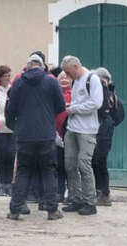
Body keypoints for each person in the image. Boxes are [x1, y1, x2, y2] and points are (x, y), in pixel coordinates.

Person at [5, 53, 66, 220]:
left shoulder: (18, 82)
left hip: (24, 134)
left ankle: (15, 209)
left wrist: (15, 127)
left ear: (28, 65)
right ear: (42, 65)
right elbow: (61, 106)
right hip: (46, 134)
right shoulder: (51, 81)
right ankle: (52, 210)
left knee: (23, 171)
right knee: (48, 171)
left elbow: (11, 109)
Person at [60, 55, 103, 215]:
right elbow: (80, 102)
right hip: (72, 128)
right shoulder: (76, 80)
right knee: (70, 165)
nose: (67, 75)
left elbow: (96, 103)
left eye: (68, 71)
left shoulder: (92, 79)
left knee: (84, 164)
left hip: (87, 130)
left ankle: (90, 201)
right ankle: (76, 198)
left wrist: (73, 109)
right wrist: (71, 106)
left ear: (76, 66)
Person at [91, 67, 125, 207]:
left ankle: (104, 193)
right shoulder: (101, 93)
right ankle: (98, 191)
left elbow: (119, 115)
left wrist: (109, 123)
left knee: (100, 161)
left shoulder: (111, 95)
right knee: (94, 162)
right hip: (97, 131)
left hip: (104, 133)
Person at [0, 65, 16, 197]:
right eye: (5, 76)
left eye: (9, 75)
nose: (8, 78)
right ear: (0, 77)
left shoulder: (12, 90)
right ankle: (1, 183)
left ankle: (9, 183)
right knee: (0, 157)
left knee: (11, 156)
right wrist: (1, 120)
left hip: (12, 129)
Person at [54, 71, 73, 203]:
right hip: (56, 135)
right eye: (61, 77)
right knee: (59, 166)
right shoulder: (55, 95)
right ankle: (59, 192)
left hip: (71, 134)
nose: (64, 79)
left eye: (67, 77)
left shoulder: (75, 94)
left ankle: (72, 192)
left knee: (71, 166)